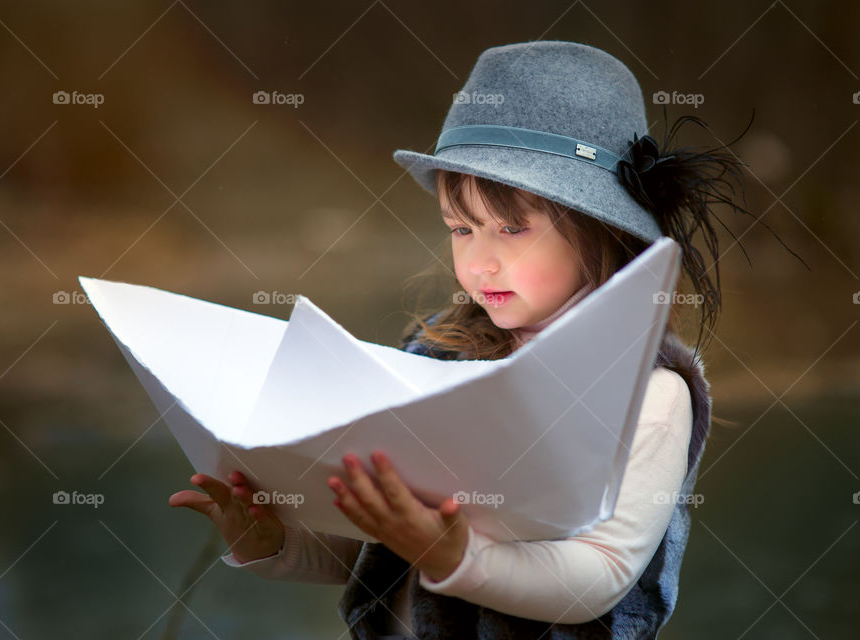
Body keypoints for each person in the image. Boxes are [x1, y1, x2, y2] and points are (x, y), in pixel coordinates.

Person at [169, 40, 804, 639]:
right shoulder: (436, 354)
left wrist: (454, 554)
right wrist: (268, 536)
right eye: (460, 229)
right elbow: (370, 547)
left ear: (603, 229)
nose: (480, 263)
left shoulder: (649, 393)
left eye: (510, 228)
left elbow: (602, 575)